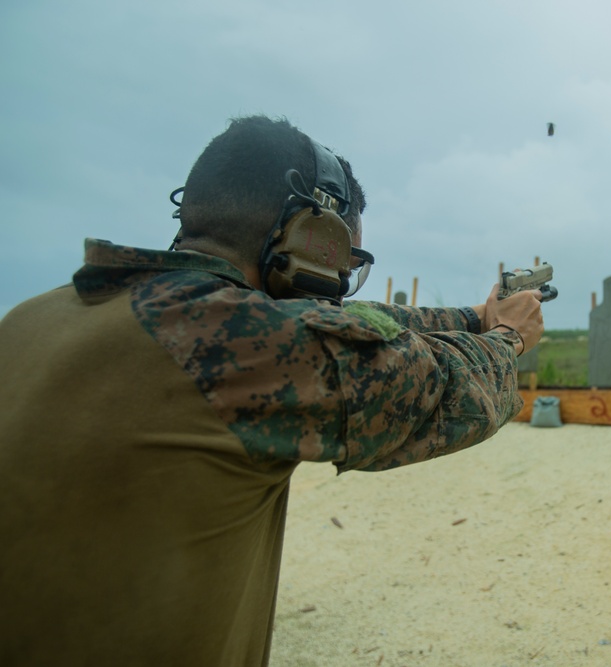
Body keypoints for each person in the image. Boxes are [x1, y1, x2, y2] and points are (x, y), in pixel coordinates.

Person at [0, 115, 544, 665]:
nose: (339, 282)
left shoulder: (32, 319)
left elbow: (339, 321)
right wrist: (508, 338)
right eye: (346, 261)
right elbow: (444, 386)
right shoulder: (242, 346)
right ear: (318, 237)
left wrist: (476, 315)